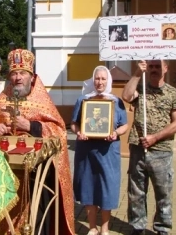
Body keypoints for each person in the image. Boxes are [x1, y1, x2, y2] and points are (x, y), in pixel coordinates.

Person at [0, 49, 75, 235]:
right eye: (14, 73)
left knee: (36, 216)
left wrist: (31, 126)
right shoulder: (2, 99)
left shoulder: (42, 100)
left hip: (36, 173)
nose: (18, 78)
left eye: (22, 73)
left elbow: (59, 131)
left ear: (31, 76)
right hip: (5, 170)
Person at [122, 60, 176, 235]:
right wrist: (137, 73)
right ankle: (137, 227)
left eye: (157, 66)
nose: (154, 70)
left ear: (166, 68)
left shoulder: (174, 94)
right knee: (136, 192)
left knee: (163, 193)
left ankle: (162, 228)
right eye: (151, 67)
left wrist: (155, 138)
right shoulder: (141, 89)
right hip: (138, 149)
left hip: (161, 151)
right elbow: (127, 96)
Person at [71, 65, 129, 235]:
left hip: (108, 151)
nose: (100, 82)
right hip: (87, 151)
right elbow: (74, 123)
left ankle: (104, 228)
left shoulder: (116, 101)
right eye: (97, 78)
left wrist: (115, 132)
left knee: (107, 187)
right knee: (88, 187)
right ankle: (92, 227)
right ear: (93, 80)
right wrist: (79, 132)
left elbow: (124, 125)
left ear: (108, 81)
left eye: (103, 79)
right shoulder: (83, 100)